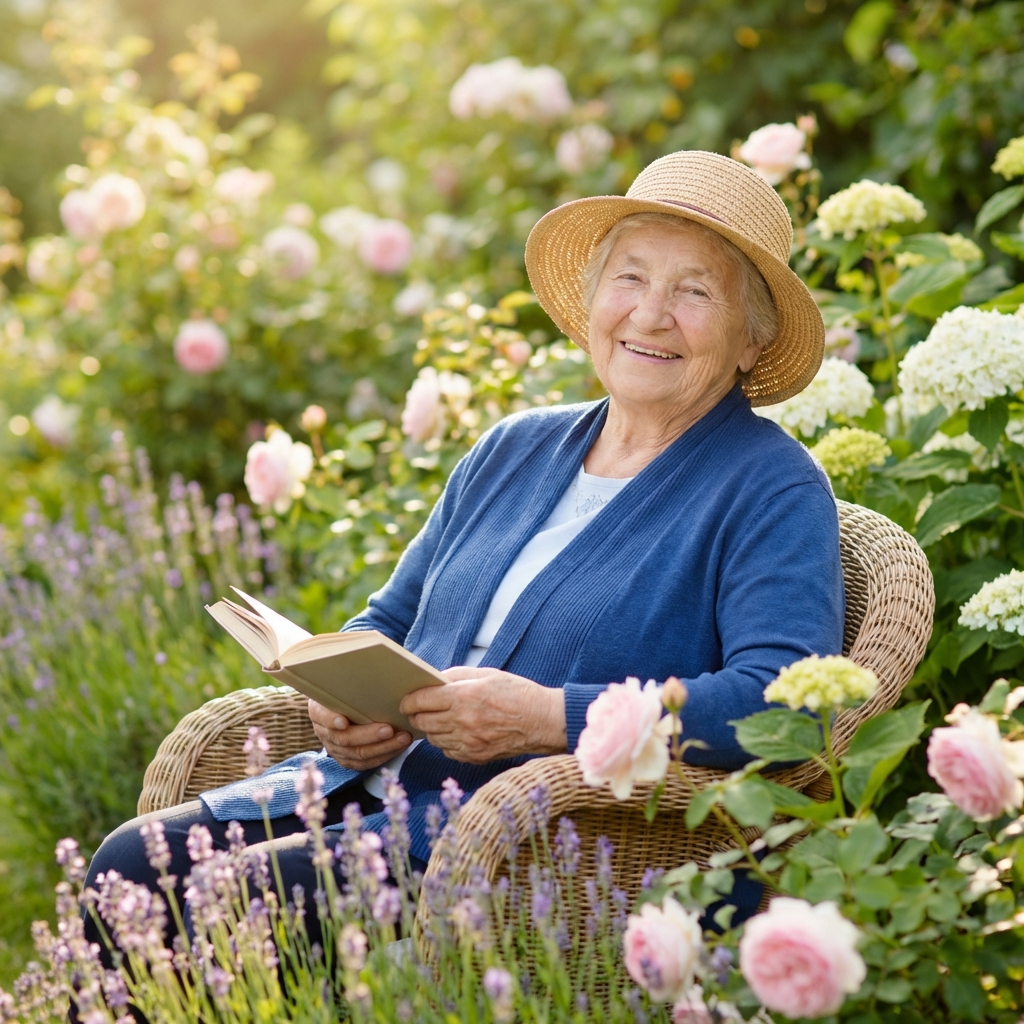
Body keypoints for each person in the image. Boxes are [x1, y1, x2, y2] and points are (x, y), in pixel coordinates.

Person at [86, 149, 844, 933]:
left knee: (228, 901)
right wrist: (342, 706)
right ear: (594, 300)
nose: (650, 315)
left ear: (751, 340)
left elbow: (786, 704)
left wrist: (551, 717)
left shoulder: (771, 488)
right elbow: (388, 619)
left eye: (695, 291)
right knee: (124, 866)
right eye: (631, 278)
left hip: (524, 846)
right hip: (359, 791)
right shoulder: (514, 447)